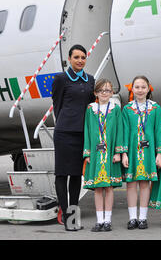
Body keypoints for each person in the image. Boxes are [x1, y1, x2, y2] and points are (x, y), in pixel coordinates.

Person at [52, 44, 95, 231]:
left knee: (76, 176)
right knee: (62, 174)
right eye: (76, 57)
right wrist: (66, 122)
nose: (80, 60)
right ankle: (66, 215)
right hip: (64, 133)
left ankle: (73, 215)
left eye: (83, 57)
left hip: (81, 134)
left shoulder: (90, 80)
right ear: (69, 59)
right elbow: (57, 104)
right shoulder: (61, 78)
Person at [122, 75, 161, 230]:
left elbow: (160, 131)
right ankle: (132, 218)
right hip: (132, 152)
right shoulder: (127, 109)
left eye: (143, 87)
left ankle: (143, 218)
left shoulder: (155, 108)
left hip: (149, 152)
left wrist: (159, 154)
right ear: (132, 89)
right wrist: (124, 153)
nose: (140, 90)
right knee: (131, 184)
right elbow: (124, 132)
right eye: (137, 87)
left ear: (148, 89)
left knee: (145, 184)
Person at [82, 78, 125, 232]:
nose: (104, 93)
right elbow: (87, 130)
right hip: (95, 153)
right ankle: (99, 220)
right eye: (101, 90)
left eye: (107, 90)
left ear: (112, 92)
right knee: (98, 188)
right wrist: (87, 153)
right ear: (96, 93)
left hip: (110, 153)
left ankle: (108, 220)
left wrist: (118, 152)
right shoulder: (90, 109)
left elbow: (120, 130)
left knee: (109, 187)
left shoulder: (115, 108)